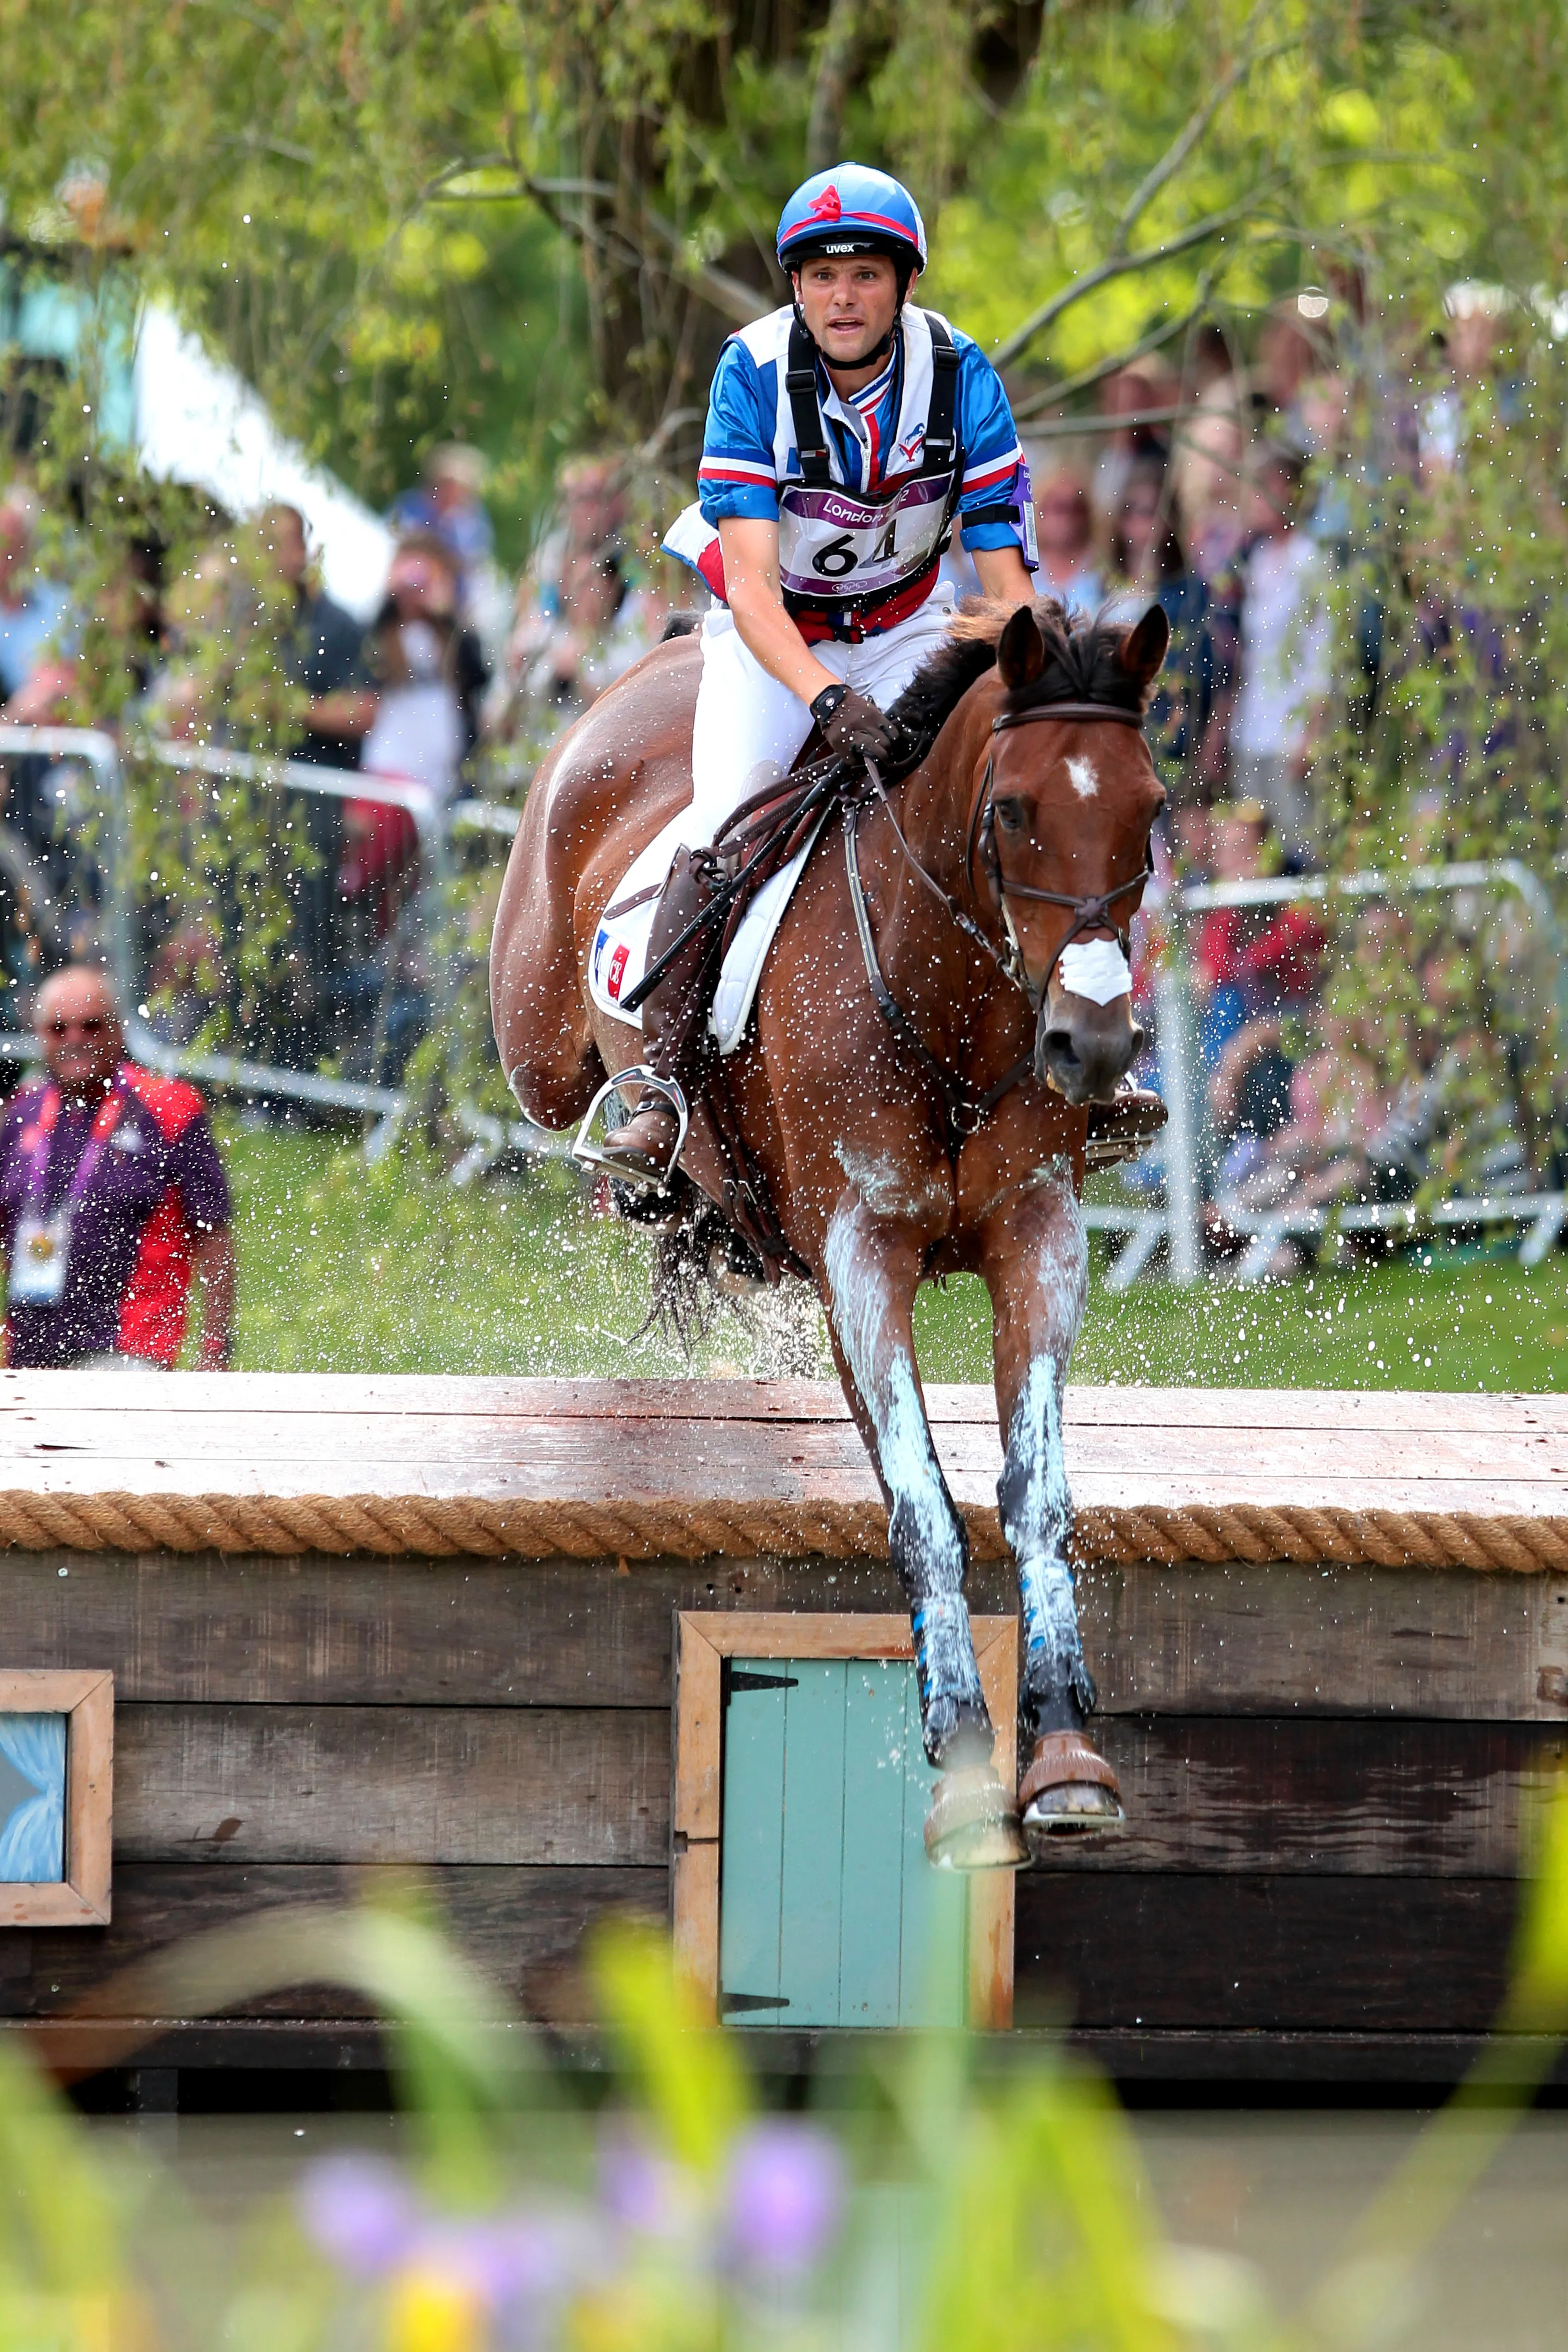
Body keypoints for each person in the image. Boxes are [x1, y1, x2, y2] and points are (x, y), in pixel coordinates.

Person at [600, 161, 1039, 1181]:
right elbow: (751, 588)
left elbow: (1005, 578)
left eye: (868, 275)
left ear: (905, 284)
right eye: (824, 276)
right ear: (796, 287)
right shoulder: (748, 372)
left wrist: (1027, 685)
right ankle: (659, 1091)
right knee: (727, 818)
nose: (845, 297)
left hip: (910, 621)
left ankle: (1083, 1057)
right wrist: (824, 698)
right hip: (776, 632)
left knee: (1019, 794)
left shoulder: (965, 374)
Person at [0, 965, 235, 1370]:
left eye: (91, 1026)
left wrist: (215, 1350)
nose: (76, 1040)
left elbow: (213, 1233)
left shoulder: (170, 1107)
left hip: (128, 1349)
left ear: (119, 1029)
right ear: (40, 1036)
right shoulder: (19, 1113)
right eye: (60, 1029)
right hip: (28, 1350)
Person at [1031, 468, 1102, 618]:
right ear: (1039, 511)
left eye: (1075, 508)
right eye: (1058, 507)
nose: (1065, 518)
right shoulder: (1021, 565)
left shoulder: (1104, 570)